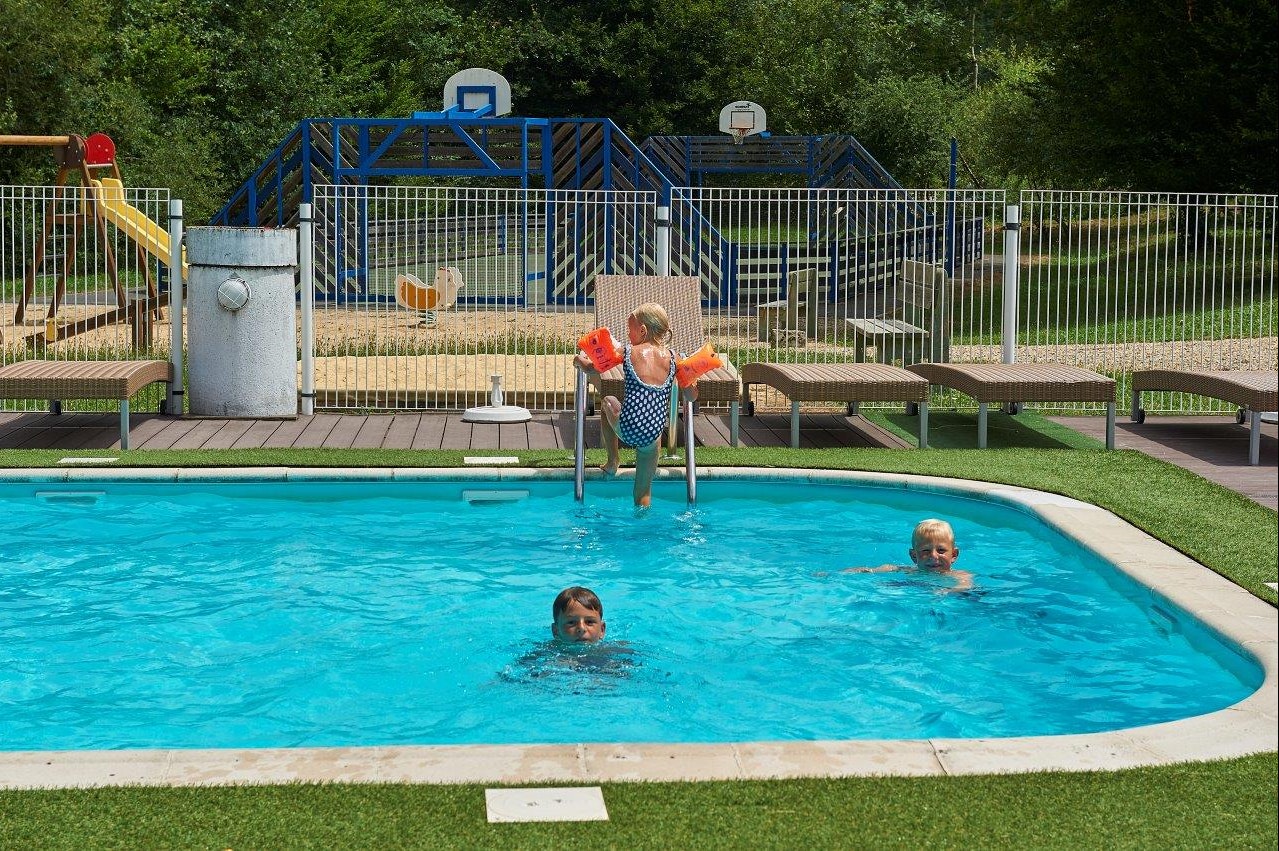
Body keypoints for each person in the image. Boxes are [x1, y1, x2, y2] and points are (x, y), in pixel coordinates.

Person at [574, 302, 697, 507]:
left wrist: (579, 360)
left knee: (607, 402)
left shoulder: (629, 351)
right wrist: (693, 381)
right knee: (642, 493)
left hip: (627, 427)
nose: (628, 335)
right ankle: (644, 527)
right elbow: (691, 396)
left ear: (642, 330)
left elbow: (593, 368)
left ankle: (613, 461)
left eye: (630, 330)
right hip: (653, 435)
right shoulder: (674, 358)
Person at [845, 518, 973, 594]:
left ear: (954, 555)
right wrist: (861, 571)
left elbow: (964, 586)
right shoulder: (910, 571)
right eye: (925, 551)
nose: (933, 556)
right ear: (914, 556)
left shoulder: (959, 575)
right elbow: (886, 568)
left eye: (941, 550)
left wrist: (947, 591)